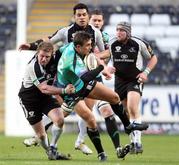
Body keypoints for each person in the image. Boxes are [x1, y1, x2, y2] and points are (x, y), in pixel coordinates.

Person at [19, 3, 105, 155]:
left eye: (84, 14)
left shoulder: (96, 33)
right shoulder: (65, 33)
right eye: (78, 15)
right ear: (74, 16)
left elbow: (106, 52)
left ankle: (77, 140)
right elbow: (49, 40)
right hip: (67, 79)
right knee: (85, 114)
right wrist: (32, 45)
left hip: (87, 76)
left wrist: (97, 60)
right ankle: (49, 138)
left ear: (88, 16)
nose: (82, 17)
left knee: (82, 112)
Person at [55, 31, 149, 161]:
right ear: (78, 47)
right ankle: (50, 143)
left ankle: (128, 127)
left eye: (90, 44)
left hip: (80, 82)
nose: (90, 48)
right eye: (87, 45)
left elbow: (58, 52)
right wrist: (100, 68)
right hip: (71, 90)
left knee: (114, 98)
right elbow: (86, 76)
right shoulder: (72, 60)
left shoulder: (72, 45)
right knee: (79, 119)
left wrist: (54, 66)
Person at [98, 22, 158, 154]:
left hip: (135, 79)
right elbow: (99, 57)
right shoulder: (113, 44)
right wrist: (105, 68)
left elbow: (153, 58)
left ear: (128, 33)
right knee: (126, 112)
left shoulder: (138, 43)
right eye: (117, 30)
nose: (118, 32)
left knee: (132, 107)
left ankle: (138, 143)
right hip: (119, 81)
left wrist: (145, 72)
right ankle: (132, 141)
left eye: (121, 30)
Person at [75, 9, 126, 158]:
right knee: (82, 112)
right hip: (82, 79)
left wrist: (103, 67)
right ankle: (45, 135)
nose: (97, 23)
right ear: (89, 21)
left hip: (98, 78)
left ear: (103, 22)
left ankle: (118, 148)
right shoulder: (79, 36)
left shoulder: (103, 37)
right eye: (94, 20)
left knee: (107, 111)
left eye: (99, 21)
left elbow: (108, 53)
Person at [18, 42, 75, 160]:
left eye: (47, 57)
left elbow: (70, 45)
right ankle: (49, 151)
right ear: (37, 53)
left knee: (59, 120)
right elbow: (44, 88)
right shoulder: (33, 66)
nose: (43, 59)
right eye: (41, 56)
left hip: (45, 97)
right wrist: (64, 90)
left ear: (52, 55)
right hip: (29, 99)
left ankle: (53, 149)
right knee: (41, 135)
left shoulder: (56, 58)